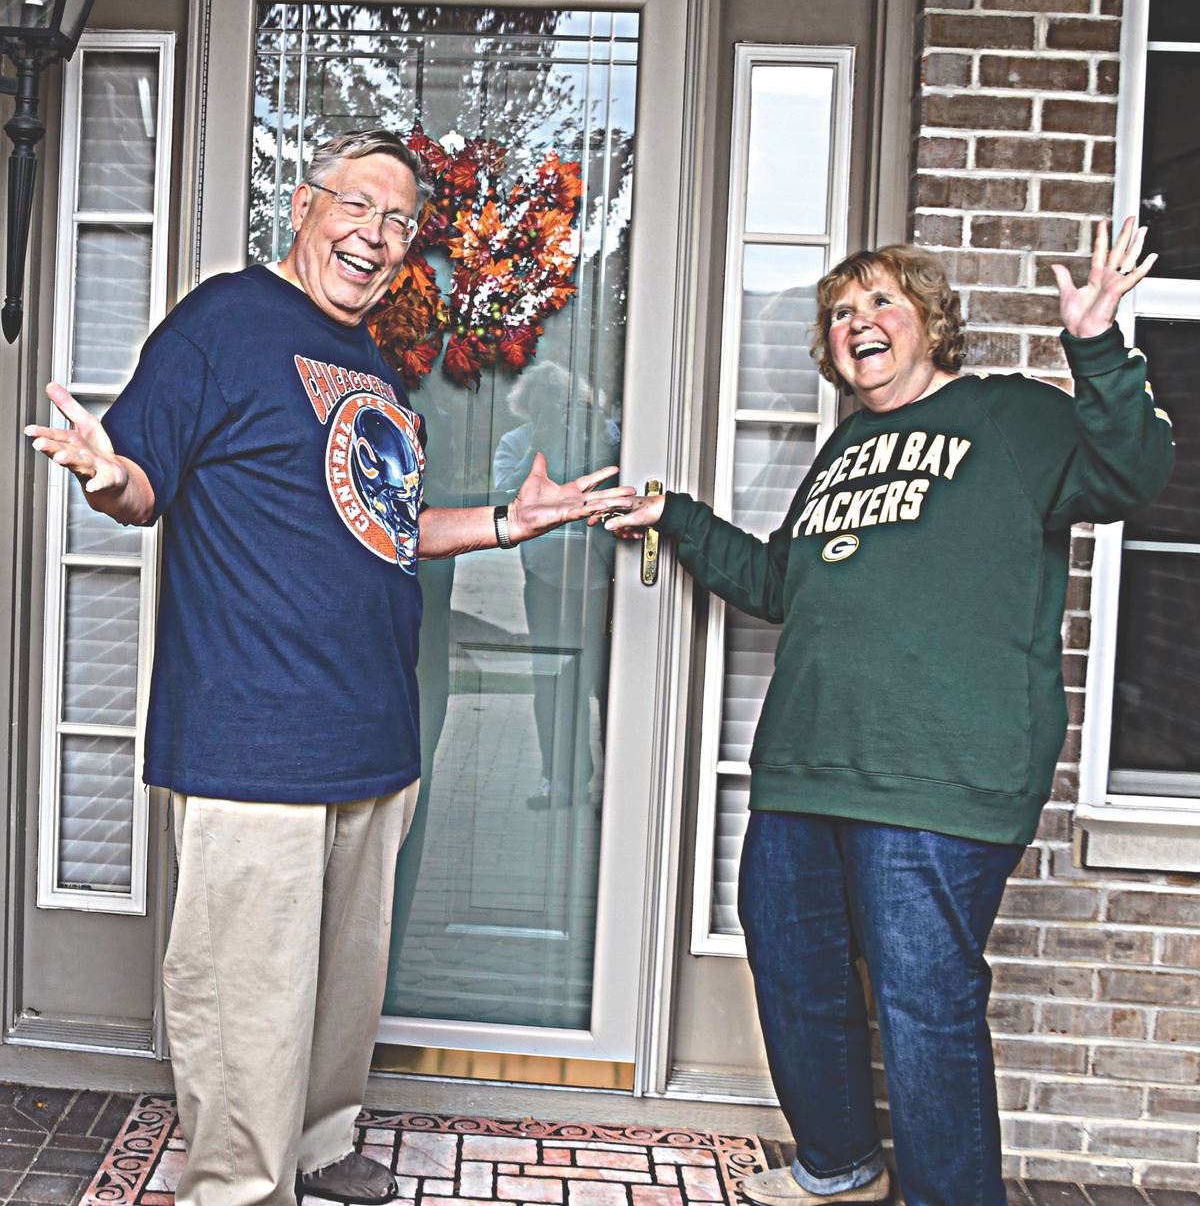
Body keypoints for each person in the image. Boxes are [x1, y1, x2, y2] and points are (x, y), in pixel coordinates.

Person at [25, 129, 632, 1206]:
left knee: (342, 988)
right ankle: (235, 1185)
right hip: (253, 734)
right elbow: (141, 480)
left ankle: (317, 1142)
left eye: (400, 222)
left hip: (372, 731)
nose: (378, 236)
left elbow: (389, 526)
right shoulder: (225, 320)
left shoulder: (377, 366)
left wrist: (508, 520)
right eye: (359, 206)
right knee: (244, 991)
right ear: (303, 207)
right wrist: (103, 471)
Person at [603, 221, 1173, 1206]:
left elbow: (1135, 473)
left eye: (879, 303)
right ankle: (840, 1162)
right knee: (793, 964)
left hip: (940, 777)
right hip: (809, 766)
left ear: (928, 324)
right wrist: (678, 520)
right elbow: (782, 582)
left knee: (925, 1007)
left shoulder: (1006, 416)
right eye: (839, 313)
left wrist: (1096, 346)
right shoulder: (843, 453)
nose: (857, 321)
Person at [493, 362, 620, 807]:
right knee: (551, 679)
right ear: (527, 406)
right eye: (541, 401)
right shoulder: (516, 442)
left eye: (558, 400)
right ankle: (560, 780)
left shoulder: (596, 434)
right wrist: (538, 446)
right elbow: (505, 497)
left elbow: (626, 469)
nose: (549, 409)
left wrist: (596, 430)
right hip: (545, 577)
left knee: (606, 681)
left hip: (601, 577)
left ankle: (617, 783)